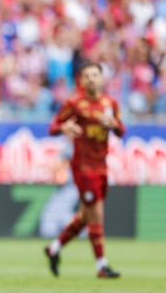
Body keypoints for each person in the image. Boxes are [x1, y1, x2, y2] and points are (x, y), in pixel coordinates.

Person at [43, 61, 124, 278]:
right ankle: (101, 266)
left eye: (95, 75)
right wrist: (64, 127)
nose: (91, 79)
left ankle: (54, 249)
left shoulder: (110, 103)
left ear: (101, 78)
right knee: (96, 215)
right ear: (81, 80)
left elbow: (121, 131)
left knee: (86, 217)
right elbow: (52, 127)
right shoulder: (74, 103)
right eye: (87, 76)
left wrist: (114, 125)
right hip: (82, 167)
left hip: (101, 166)